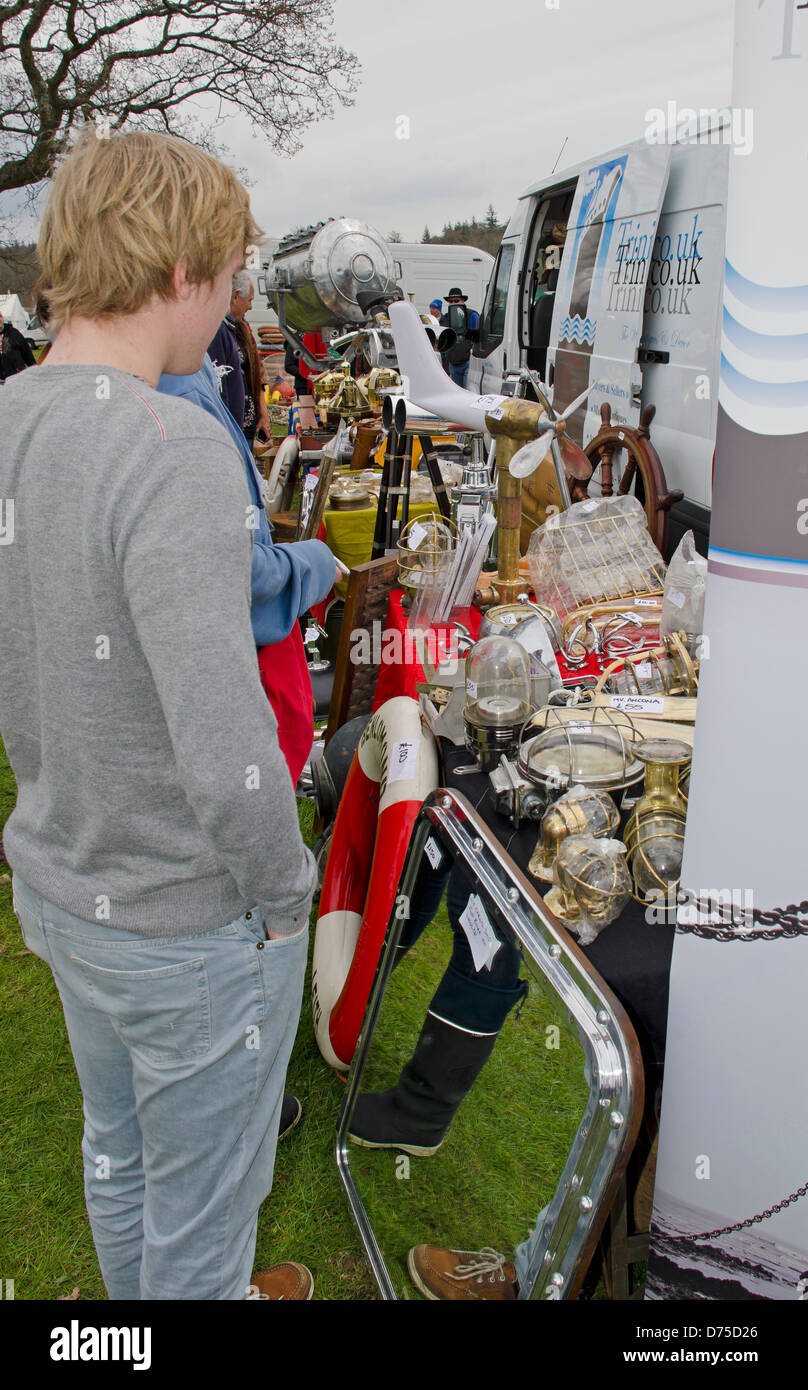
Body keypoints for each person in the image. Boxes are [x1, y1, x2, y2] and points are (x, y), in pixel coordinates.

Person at [0, 127, 322, 1301]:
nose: (234, 305)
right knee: (201, 1220)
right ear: (181, 270)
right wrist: (287, 897)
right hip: (184, 920)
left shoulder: (11, 416)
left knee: (119, 1151)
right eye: (232, 274)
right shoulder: (168, 442)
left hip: (63, 881)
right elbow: (224, 738)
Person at [228, 270, 271, 445]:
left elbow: (257, 373)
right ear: (236, 297)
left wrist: (263, 414)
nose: (251, 307)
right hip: (231, 428)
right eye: (250, 300)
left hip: (246, 426)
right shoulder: (219, 331)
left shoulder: (243, 329)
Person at [440, 287, 480, 389]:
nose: (453, 303)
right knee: (459, 396)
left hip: (468, 363)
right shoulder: (446, 318)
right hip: (453, 364)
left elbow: (478, 337)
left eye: (456, 300)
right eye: (451, 301)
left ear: (463, 301)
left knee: (467, 394)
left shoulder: (472, 315)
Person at [0, 309, 36, 381]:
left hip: (18, 377)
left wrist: (35, 370)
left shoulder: (13, 333)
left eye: (0, 316)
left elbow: (27, 353)